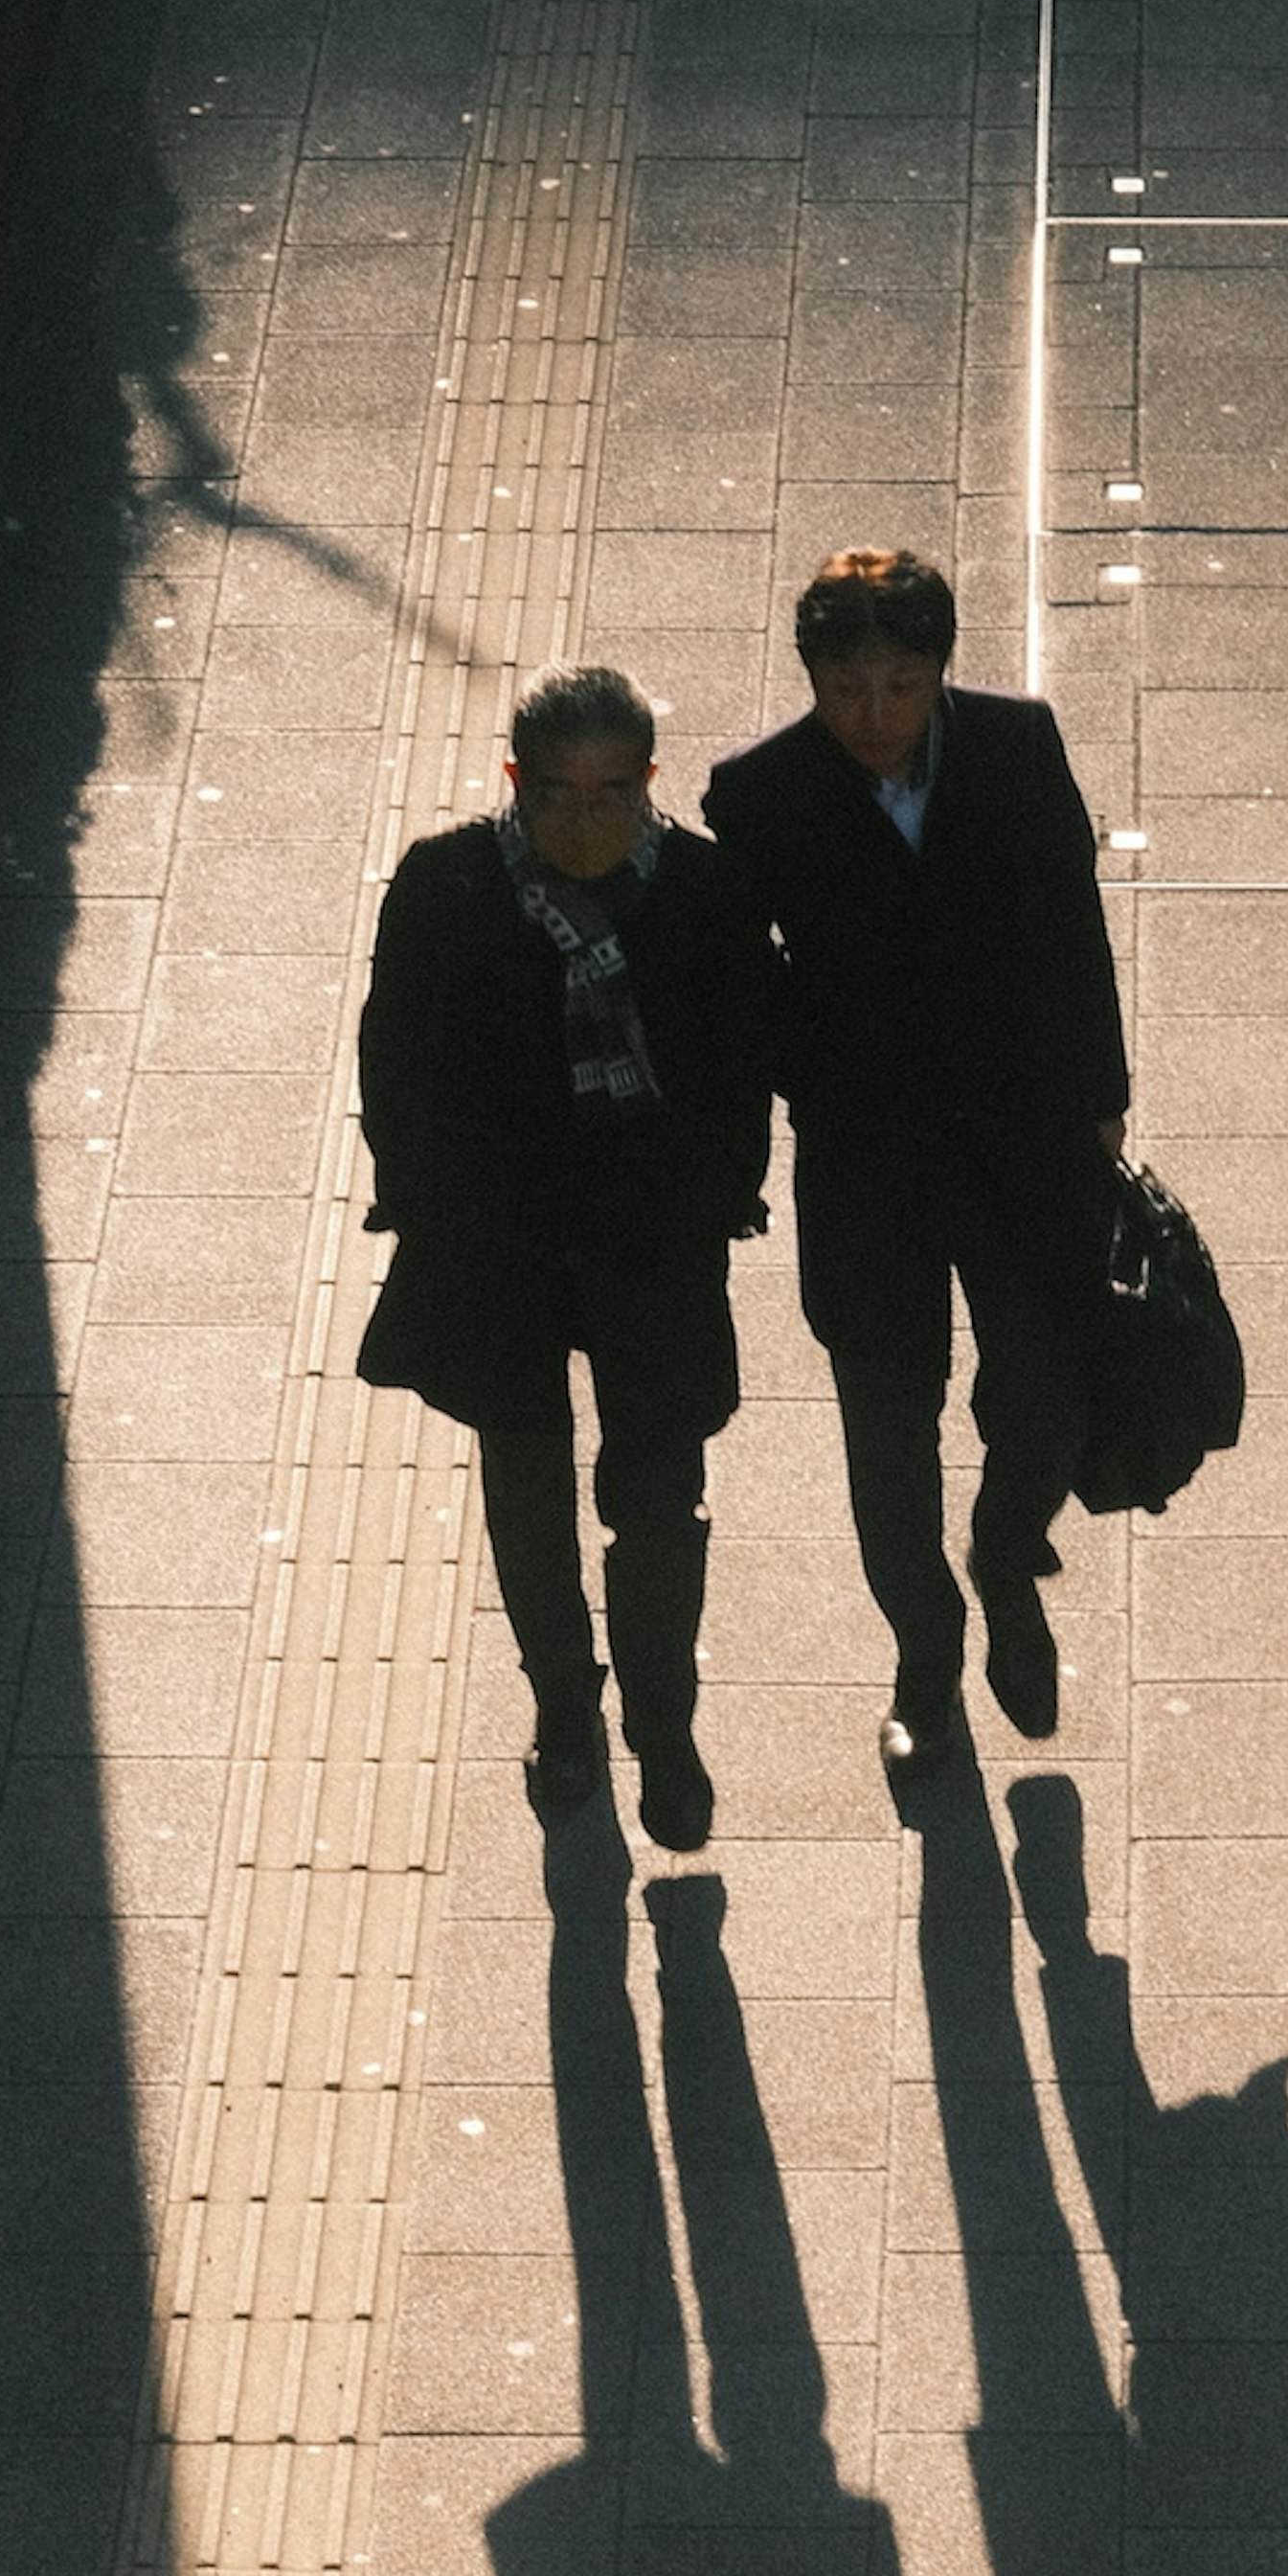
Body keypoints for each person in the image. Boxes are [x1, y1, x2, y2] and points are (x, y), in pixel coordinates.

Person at [705, 550, 1129, 1777]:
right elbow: (745, 984)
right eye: (848, 688)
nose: (873, 716)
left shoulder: (1017, 746)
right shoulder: (763, 794)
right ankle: (925, 1656)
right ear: (813, 680)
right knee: (887, 1435)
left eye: (899, 684)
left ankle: (1007, 1554)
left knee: (1045, 1396)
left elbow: (1073, 929)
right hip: (867, 1166)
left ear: (940, 671)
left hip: (1022, 1141)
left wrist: (1100, 1099)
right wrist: (817, 1071)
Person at [352, 660, 780, 1850]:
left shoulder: (703, 890)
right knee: (526, 1485)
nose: (586, 823)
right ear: (515, 783)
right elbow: (394, 1058)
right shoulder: (444, 886)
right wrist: (427, 1201)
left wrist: (720, 1194)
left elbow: (745, 1055)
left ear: (650, 783)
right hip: (502, 1238)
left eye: (611, 793)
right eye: (557, 795)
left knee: (660, 1498)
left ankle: (665, 1722)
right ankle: (562, 1707)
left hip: (654, 1239)